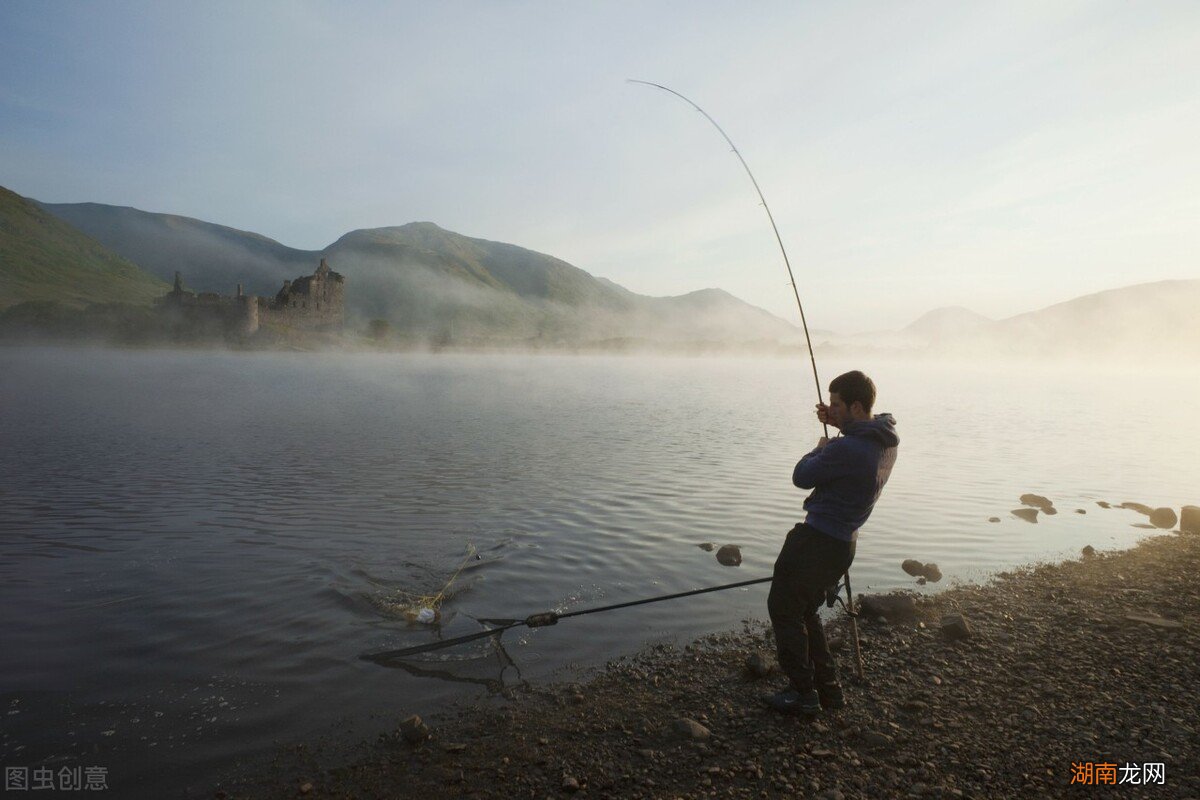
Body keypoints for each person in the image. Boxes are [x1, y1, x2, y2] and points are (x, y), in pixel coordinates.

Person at [764, 370, 898, 716]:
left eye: (837, 404)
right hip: (843, 545)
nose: (830, 408)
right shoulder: (885, 440)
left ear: (857, 406)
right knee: (805, 610)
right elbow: (857, 439)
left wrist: (819, 447)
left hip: (816, 542)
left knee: (784, 609)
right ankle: (828, 690)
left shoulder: (847, 449)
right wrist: (838, 422)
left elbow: (801, 476)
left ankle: (803, 693)